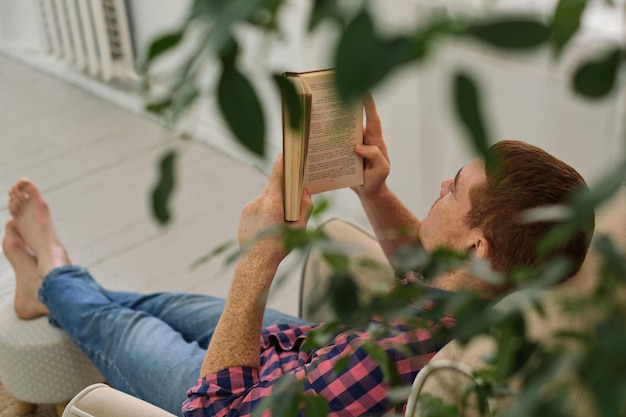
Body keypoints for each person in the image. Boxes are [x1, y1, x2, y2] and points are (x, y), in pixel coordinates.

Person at [3, 94, 593, 417]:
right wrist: (375, 190)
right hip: (310, 351)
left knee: (123, 325)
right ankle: (51, 288)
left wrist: (257, 260)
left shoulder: (388, 362)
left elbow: (213, 410)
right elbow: (428, 269)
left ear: (476, 245)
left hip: (246, 394)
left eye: (453, 189)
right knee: (173, 304)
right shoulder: (492, 299)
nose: (439, 186)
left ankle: (52, 272)